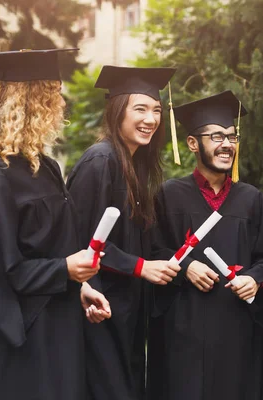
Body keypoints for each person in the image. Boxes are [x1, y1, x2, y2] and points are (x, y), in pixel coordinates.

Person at [0, 48, 107, 400]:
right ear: (30, 101)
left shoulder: (44, 167)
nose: (60, 102)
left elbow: (53, 246)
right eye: (52, 92)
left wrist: (78, 286)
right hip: (21, 338)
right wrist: (63, 270)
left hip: (60, 323)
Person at [146, 90, 263, 400]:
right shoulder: (169, 195)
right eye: (217, 136)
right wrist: (185, 266)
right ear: (193, 143)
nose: (227, 144)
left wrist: (255, 278)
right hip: (183, 329)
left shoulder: (251, 199)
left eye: (232, 137)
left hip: (236, 329)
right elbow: (153, 251)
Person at [66, 65, 180, 400]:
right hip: (99, 309)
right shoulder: (100, 162)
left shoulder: (133, 166)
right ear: (118, 111)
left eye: (156, 110)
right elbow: (82, 242)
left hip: (125, 309)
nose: (151, 119)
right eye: (140, 108)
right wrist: (141, 266)